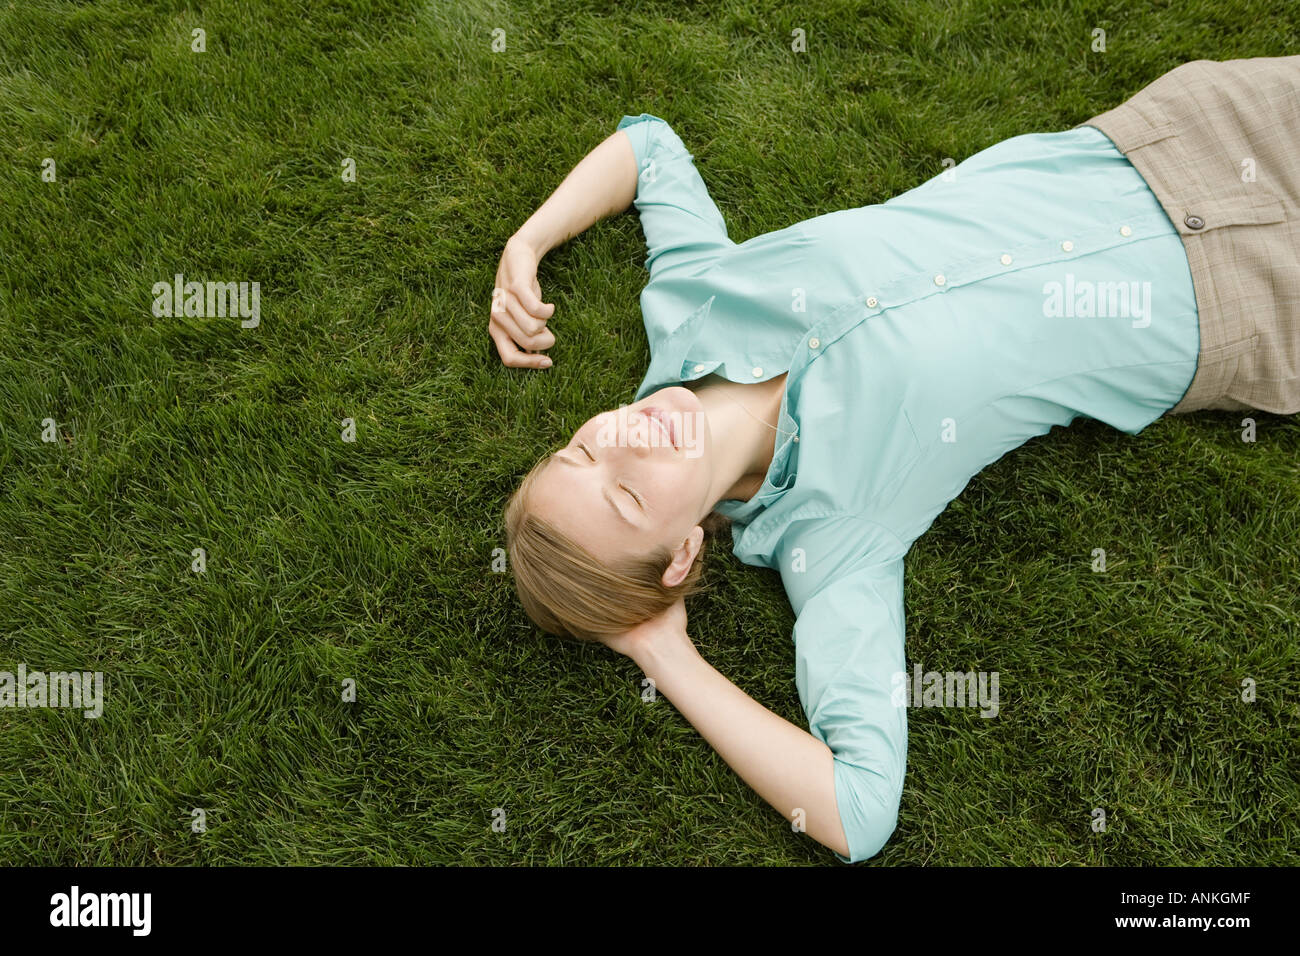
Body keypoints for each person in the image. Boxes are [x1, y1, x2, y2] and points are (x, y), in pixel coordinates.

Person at [491, 57, 1300, 862]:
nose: (626, 439)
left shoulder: (692, 295)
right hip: (1255, 300)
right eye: (628, 497)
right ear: (682, 555)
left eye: (584, 448)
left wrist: (524, 246)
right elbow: (856, 810)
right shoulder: (833, 540)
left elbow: (648, 147)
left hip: (1182, 138)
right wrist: (662, 650)